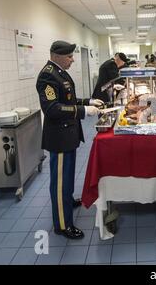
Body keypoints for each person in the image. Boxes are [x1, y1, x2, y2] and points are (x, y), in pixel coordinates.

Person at [36, 41, 102, 239]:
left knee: (67, 177)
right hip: (59, 137)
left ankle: (67, 200)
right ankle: (63, 225)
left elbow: (67, 98)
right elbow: (52, 109)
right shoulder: (48, 75)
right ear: (57, 56)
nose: (73, 60)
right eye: (70, 56)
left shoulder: (59, 72)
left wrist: (87, 101)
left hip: (68, 134)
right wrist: (82, 111)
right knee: (60, 181)